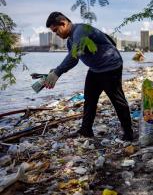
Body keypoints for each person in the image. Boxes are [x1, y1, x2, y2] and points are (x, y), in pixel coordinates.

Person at [44, 12, 134, 141]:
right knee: (89, 99)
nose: (56, 34)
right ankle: (86, 130)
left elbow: (74, 54)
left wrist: (57, 72)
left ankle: (129, 133)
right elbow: (73, 60)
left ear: (63, 23)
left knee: (117, 100)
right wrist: (55, 72)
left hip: (110, 66)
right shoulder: (70, 41)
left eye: (55, 30)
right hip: (95, 69)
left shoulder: (80, 31)